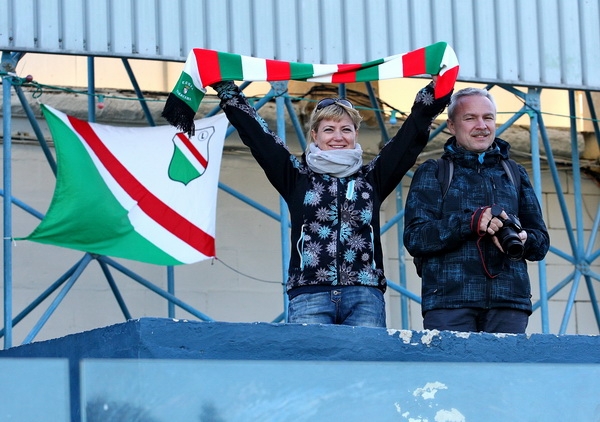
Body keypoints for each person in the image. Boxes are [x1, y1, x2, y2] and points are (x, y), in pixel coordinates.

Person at [211, 78, 451, 327]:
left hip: (364, 295)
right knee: (312, 366)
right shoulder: (296, 176)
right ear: (315, 134)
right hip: (309, 294)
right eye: (329, 129)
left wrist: (436, 91)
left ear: (355, 134)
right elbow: (257, 136)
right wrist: (228, 91)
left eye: (346, 129)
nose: (338, 137)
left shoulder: (373, 177)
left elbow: (409, 138)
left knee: (366, 366)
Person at [403, 87, 550, 334]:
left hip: (509, 302)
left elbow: (541, 242)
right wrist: (471, 223)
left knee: (504, 374)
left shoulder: (514, 173)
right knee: (450, 374)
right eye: (470, 118)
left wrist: (523, 238)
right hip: (449, 303)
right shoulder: (433, 171)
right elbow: (415, 238)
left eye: (488, 117)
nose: (481, 125)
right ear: (451, 125)